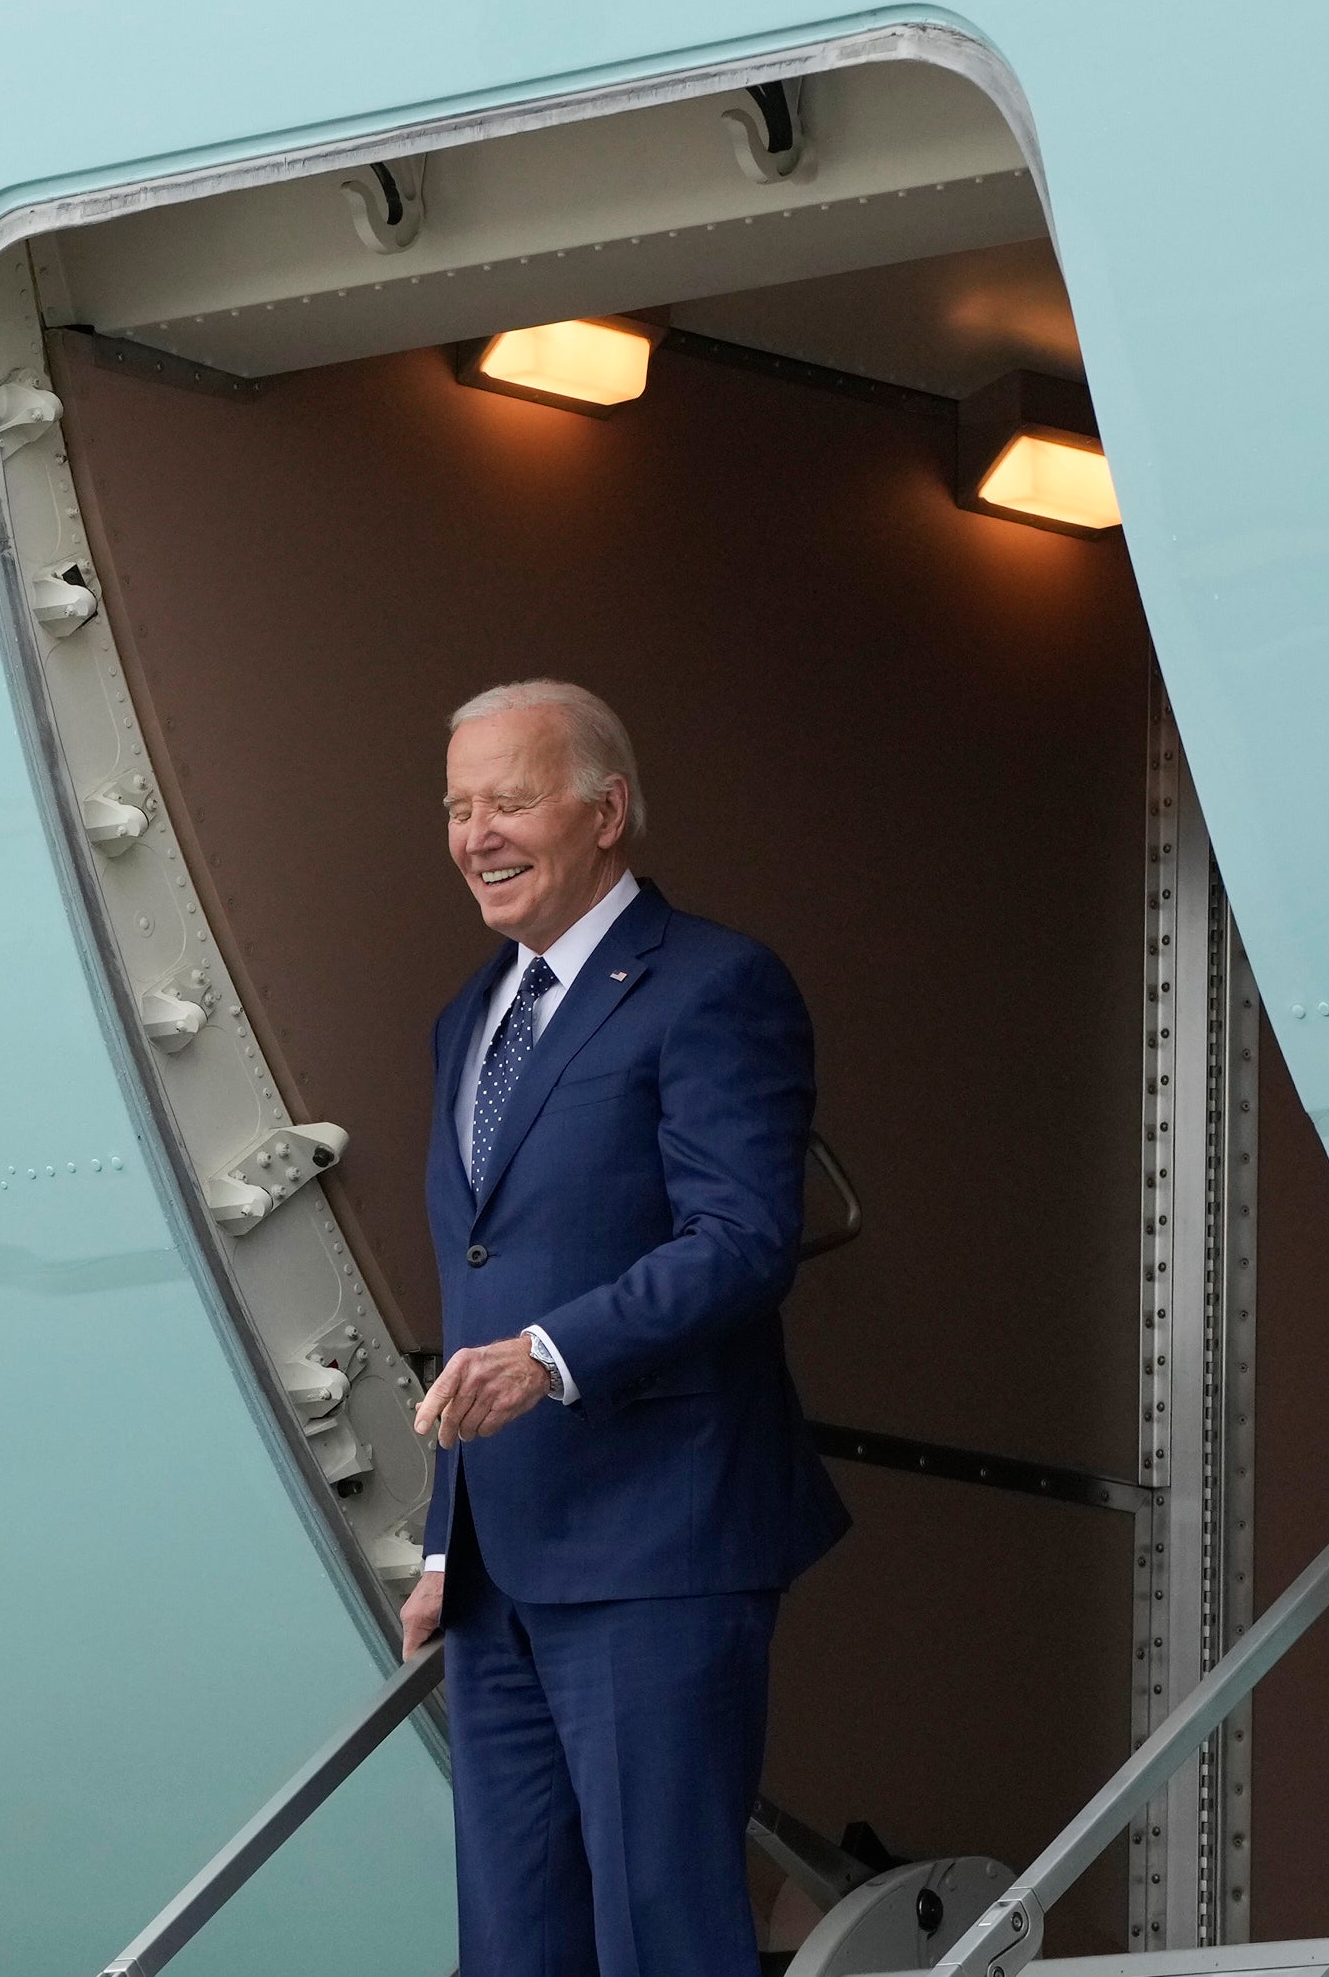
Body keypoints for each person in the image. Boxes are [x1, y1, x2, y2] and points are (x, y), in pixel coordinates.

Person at [401, 679, 848, 1977]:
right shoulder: (465, 1018)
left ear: (606, 811)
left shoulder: (713, 984)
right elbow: (477, 1280)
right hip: (499, 1563)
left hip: (659, 1542)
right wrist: (444, 1536)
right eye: (457, 806)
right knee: (511, 1948)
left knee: (663, 1935)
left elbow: (744, 1238)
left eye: (509, 799)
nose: (476, 832)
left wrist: (550, 1356)